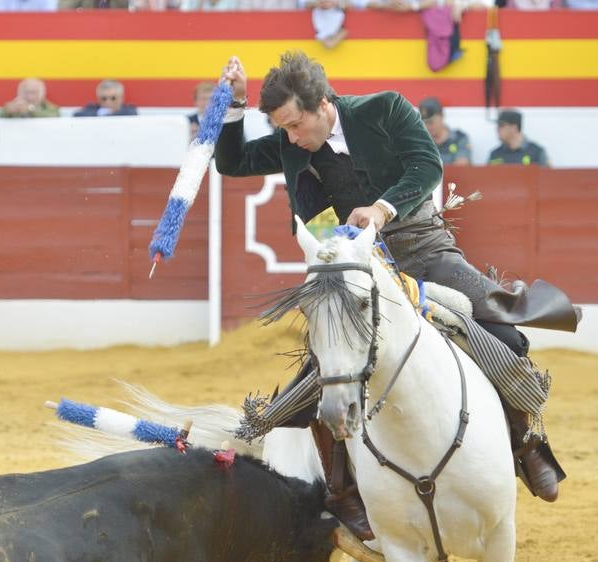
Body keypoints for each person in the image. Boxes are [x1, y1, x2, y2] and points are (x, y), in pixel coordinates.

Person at [214, 52, 577, 534]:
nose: (292, 138)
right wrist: (235, 104)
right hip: (356, 269)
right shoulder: (292, 145)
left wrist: (382, 210)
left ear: (324, 105)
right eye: (284, 129)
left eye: (297, 125)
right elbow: (231, 161)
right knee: (325, 371)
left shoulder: (384, 109)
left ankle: (526, 442)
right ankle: (342, 491)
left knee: (505, 335)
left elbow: (426, 164)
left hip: (424, 250)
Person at [419, 96, 472, 166]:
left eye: (431, 122)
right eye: (424, 123)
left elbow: (462, 165)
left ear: (442, 116)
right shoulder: (420, 141)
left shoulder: (459, 138)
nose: (428, 126)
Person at [72, 80, 139, 117]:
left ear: (121, 98)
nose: (108, 102)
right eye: (104, 98)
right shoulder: (93, 108)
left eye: (113, 98)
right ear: (98, 99)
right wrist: (99, 113)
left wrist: (108, 114)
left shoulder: (129, 110)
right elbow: (77, 115)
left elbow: (132, 113)